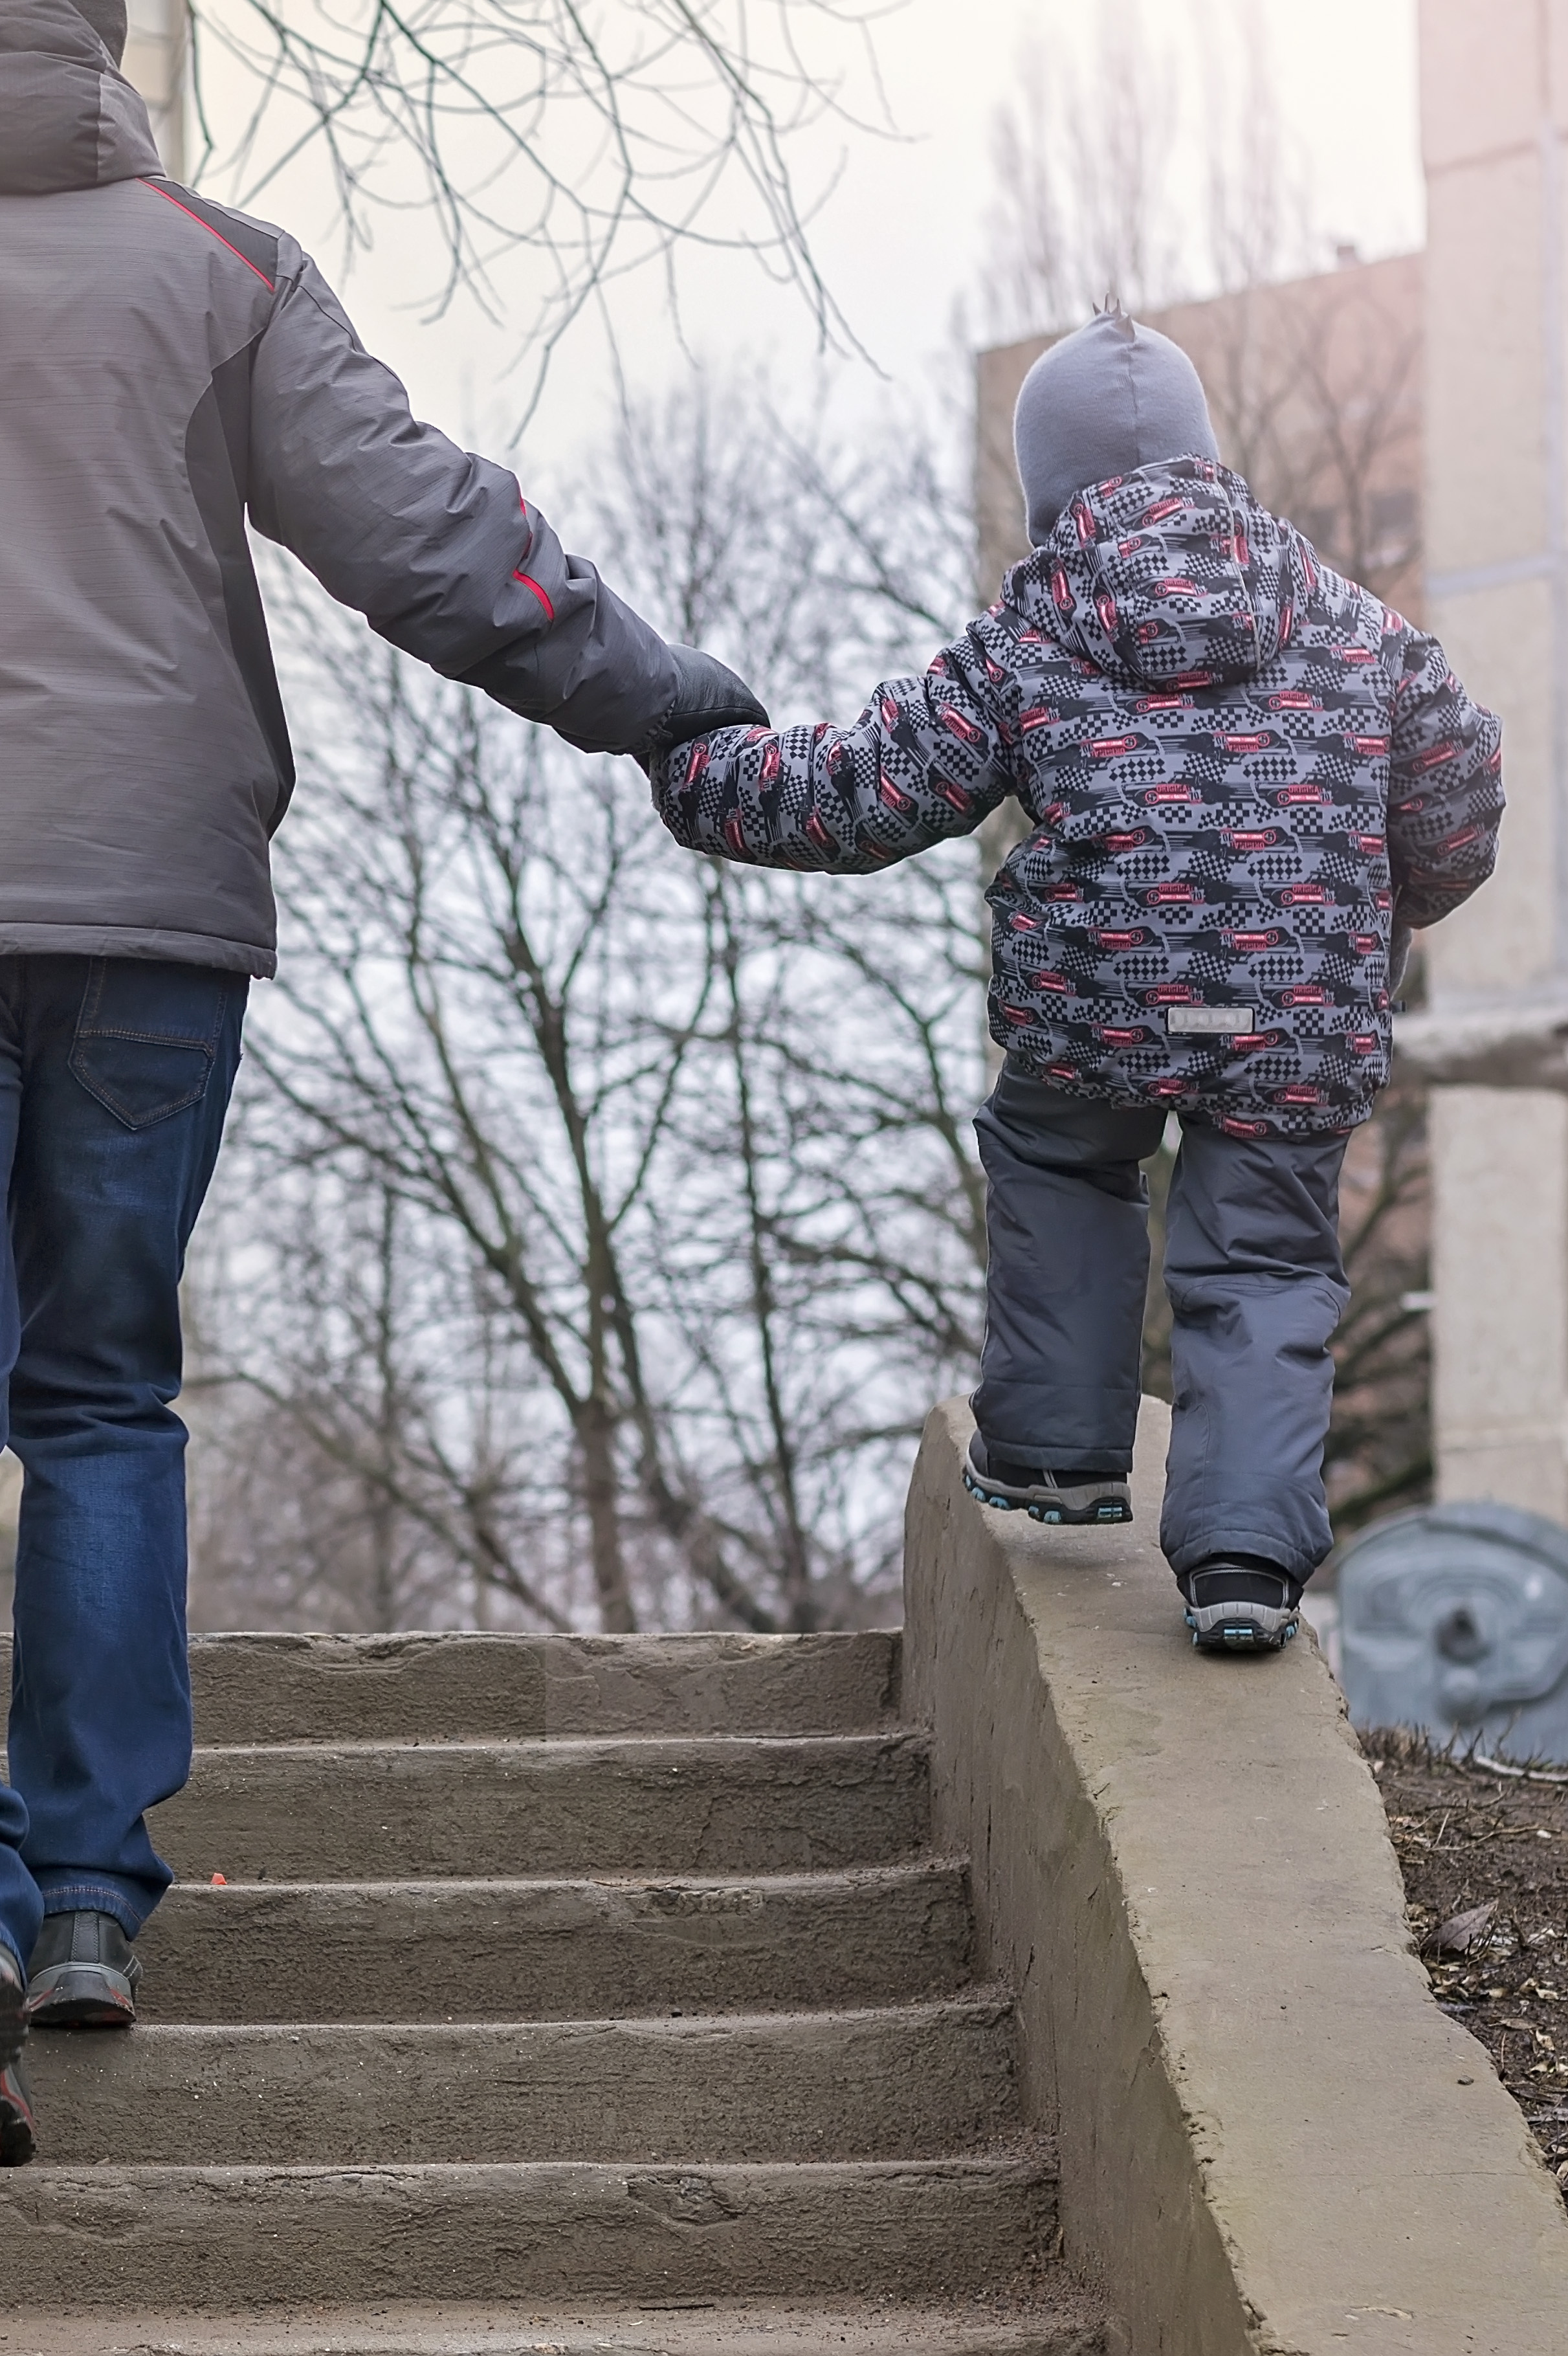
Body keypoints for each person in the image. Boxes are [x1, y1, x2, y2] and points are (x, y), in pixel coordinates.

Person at [0, 0, 758, 2166]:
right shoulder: (220, 267)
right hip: (151, 917)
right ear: (110, 52)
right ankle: (86, 1887)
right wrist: (657, 700)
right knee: (99, 1396)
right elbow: (431, 535)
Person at [639, 309, 1505, 1656]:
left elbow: (867, 793)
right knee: (1267, 1254)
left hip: (1106, 995)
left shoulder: (1037, 626)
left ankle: (1055, 1454)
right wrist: (1384, 915)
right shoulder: (1351, 622)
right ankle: (1243, 1561)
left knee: (1060, 1155)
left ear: (1053, 487)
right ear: (1209, 464)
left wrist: (696, 768)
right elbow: (1460, 792)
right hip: (1292, 1012)